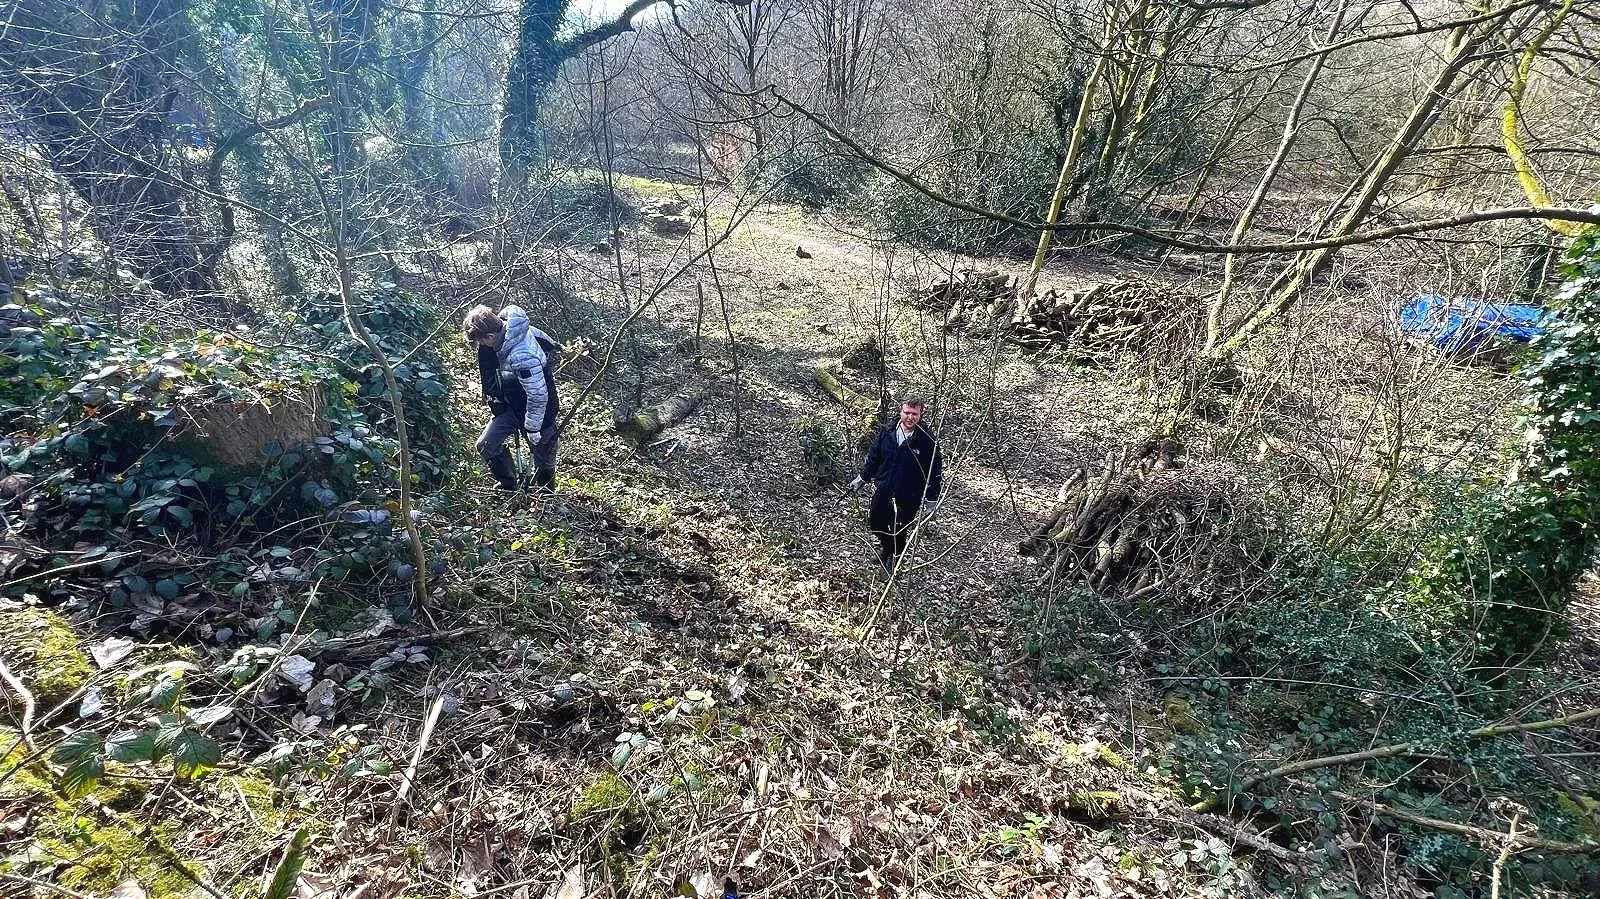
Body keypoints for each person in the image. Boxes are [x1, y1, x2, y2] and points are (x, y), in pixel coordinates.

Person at [462, 304, 560, 491]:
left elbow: (538, 395)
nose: (480, 346)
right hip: (511, 406)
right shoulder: (504, 334)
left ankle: (546, 496)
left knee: (544, 455)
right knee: (486, 445)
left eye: (481, 342)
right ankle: (509, 485)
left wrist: (533, 428)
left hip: (539, 412)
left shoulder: (521, 355)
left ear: (491, 336)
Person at [849, 397, 943, 574]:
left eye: (914, 414)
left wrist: (932, 498)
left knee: (898, 530)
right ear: (901, 411)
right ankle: (886, 549)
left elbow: (935, 471)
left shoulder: (927, 441)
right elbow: (874, 457)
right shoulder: (888, 430)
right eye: (906, 412)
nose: (910, 417)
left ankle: (891, 562)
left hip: (909, 495)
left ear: (921, 414)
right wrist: (863, 477)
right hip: (884, 488)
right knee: (876, 522)